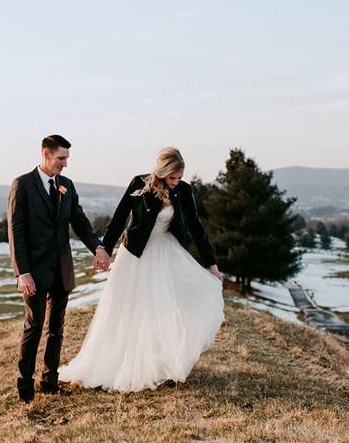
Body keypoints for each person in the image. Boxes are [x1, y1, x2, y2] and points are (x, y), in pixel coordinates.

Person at [59, 147, 225, 392]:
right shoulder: (139, 184)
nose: (176, 182)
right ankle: (116, 363)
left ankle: (163, 364)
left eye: (179, 178)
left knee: (166, 307)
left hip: (167, 252)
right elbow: (119, 216)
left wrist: (211, 264)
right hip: (135, 254)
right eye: (172, 178)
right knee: (128, 307)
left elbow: (196, 228)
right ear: (161, 172)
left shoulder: (184, 191)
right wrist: (104, 248)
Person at [7, 134, 111, 403]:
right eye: (60, 158)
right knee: (34, 325)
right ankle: (25, 387)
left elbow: (79, 221)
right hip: (34, 271)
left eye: (66, 159)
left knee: (57, 327)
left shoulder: (66, 185)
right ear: (45, 154)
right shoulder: (23, 185)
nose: (64, 164)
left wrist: (98, 248)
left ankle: (50, 381)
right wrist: (22, 272)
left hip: (61, 268)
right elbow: (15, 232)